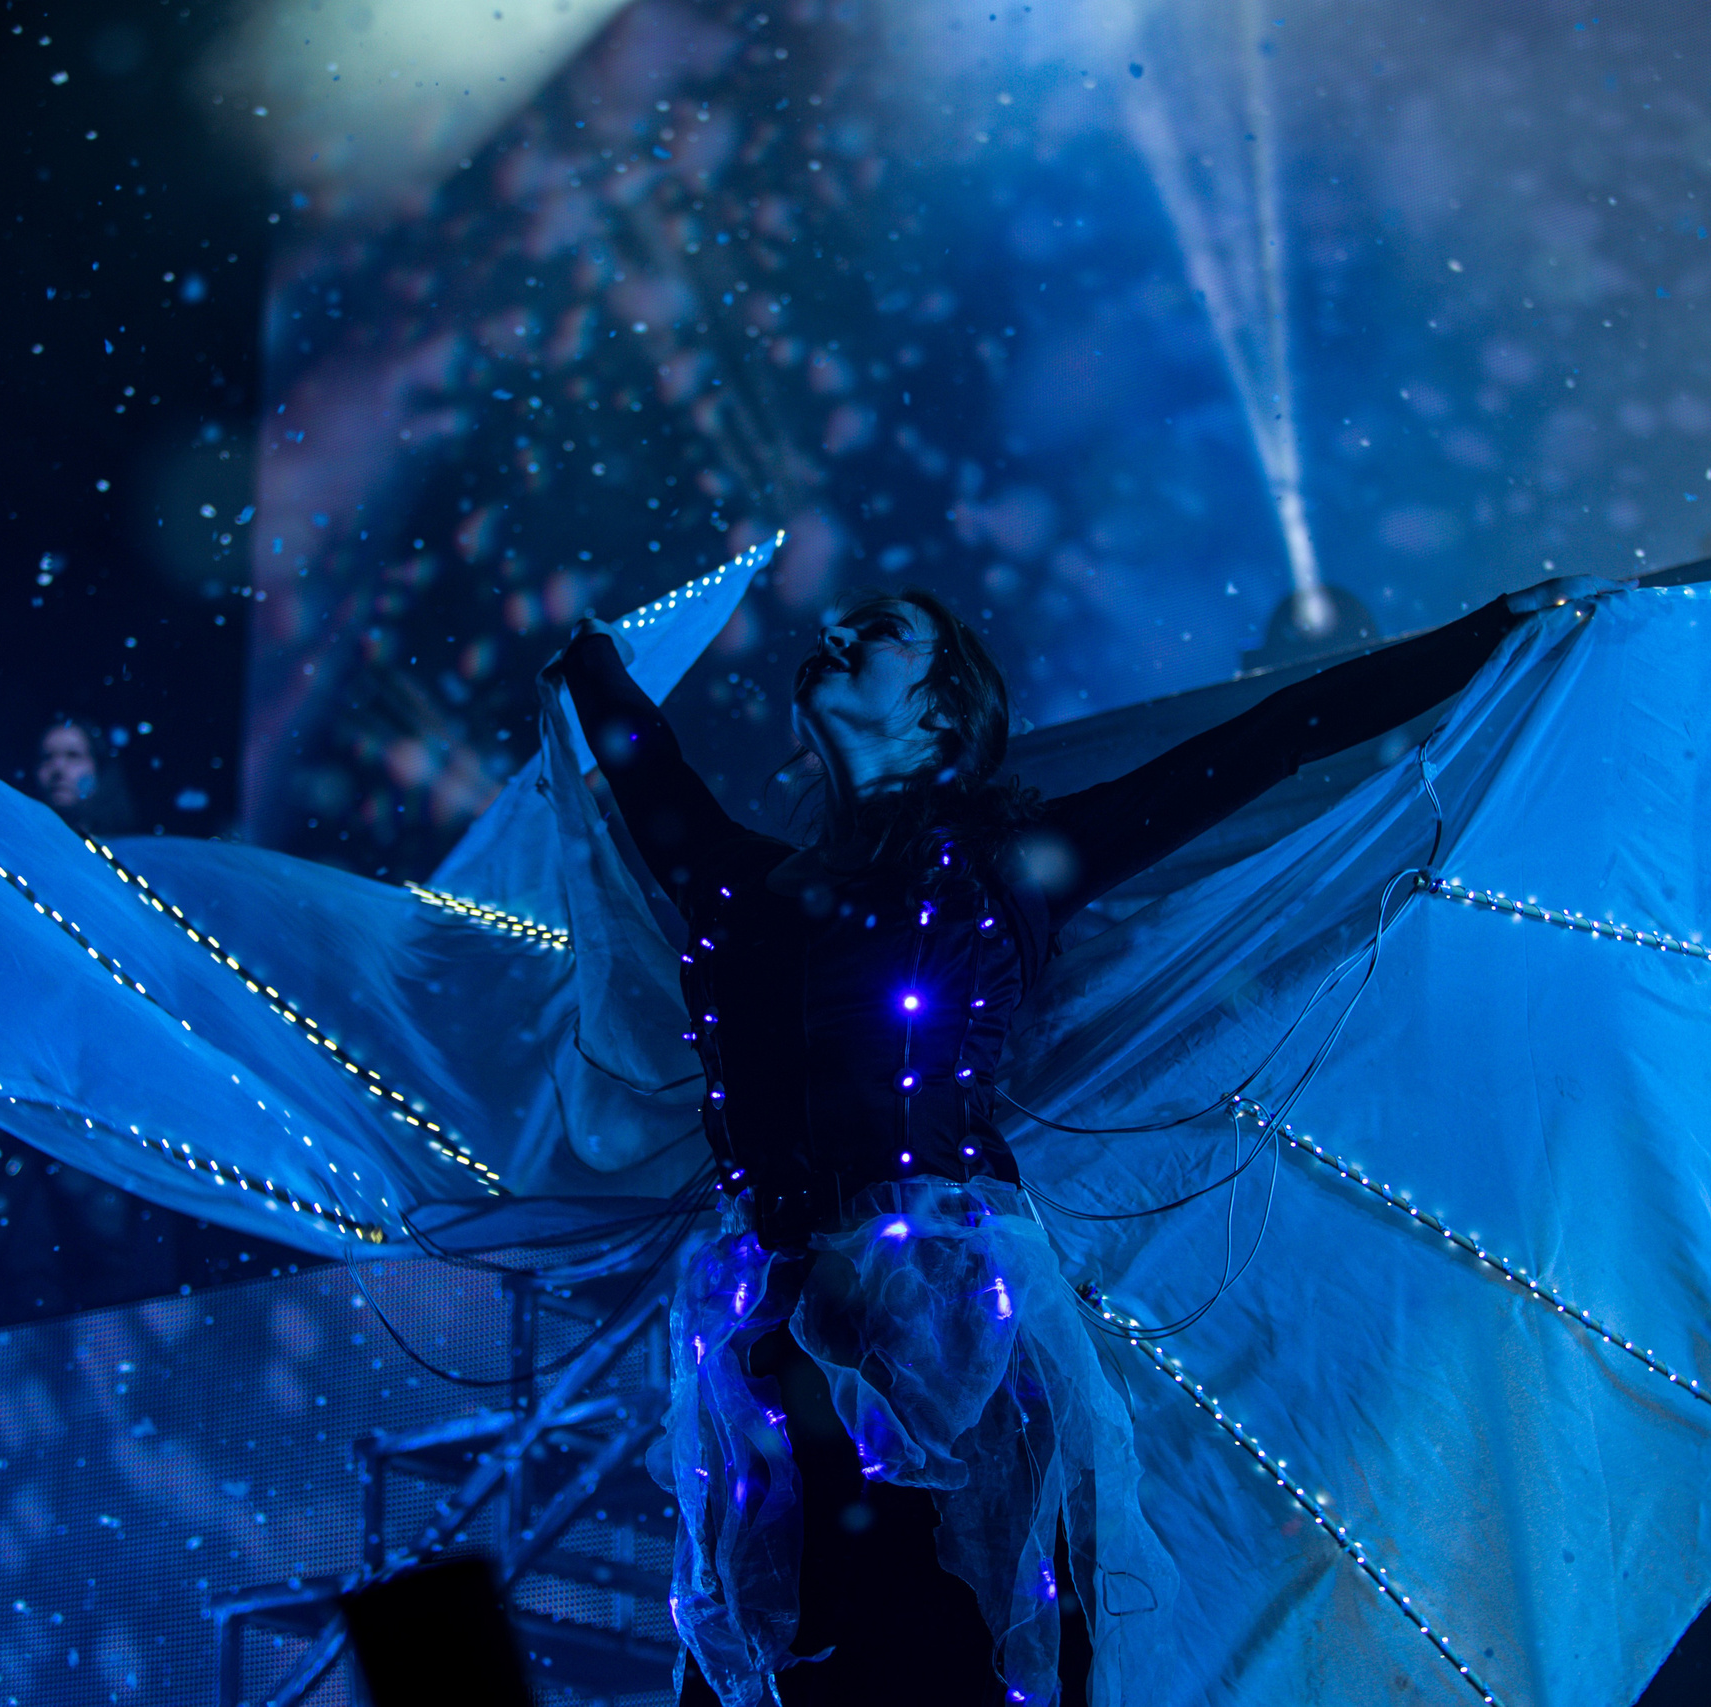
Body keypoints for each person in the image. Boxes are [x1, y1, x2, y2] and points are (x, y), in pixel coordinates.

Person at [548, 573, 1612, 1707]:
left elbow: (1270, 740)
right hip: (771, 1335)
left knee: (938, 1649)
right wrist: (590, 655)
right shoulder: (739, 886)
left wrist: (1485, 628)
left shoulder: (1006, 863)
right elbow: (636, 755)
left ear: (944, 709)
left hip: (941, 1329)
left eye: (882, 632)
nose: (835, 632)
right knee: (781, 1656)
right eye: (839, 624)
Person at [35, 716, 137, 836]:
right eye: (46, 757)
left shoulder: (130, 843)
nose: (57, 768)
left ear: (99, 767)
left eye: (73, 755)